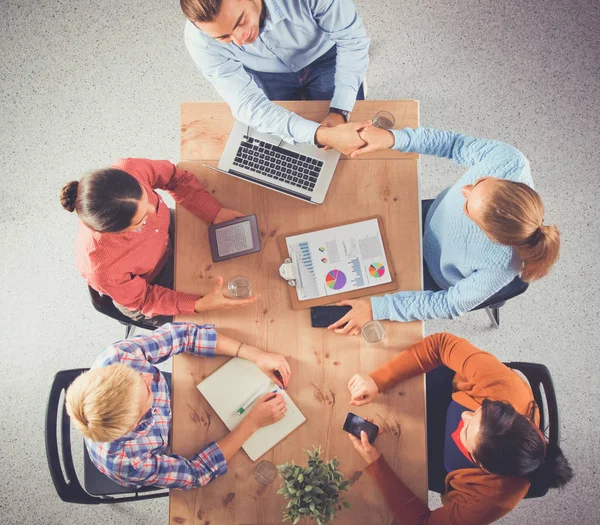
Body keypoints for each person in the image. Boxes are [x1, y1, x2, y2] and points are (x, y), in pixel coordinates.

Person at [328, 126, 561, 334]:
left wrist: (376, 308)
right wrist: (392, 138)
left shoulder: (500, 267)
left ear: (489, 235)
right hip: (428, 217)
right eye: (480, 183)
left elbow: (448, 304)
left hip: (431, 274)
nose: (465, 189)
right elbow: (453, 144)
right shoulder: (509, 161)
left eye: (468, 208)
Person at [346, 332, 572, 525]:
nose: (464, 415)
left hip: (439, 466)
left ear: (481, 464)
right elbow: (441, 344)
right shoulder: (505, 388)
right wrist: (378, 380)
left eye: (465, 431)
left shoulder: (491, 499)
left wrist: (376, 464)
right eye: (477, 411)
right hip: (445, 395)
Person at [66, 322, 291, 489]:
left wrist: (255, 354)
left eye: (134, 375)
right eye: (145, 391)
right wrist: (251, 424)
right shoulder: (129, 464)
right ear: (136, 423)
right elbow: (196, 472)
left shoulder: (118, 357)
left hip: (182, 401)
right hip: (175, 439)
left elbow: (181, 335)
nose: (148, 378)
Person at [60, 158, 256, 326]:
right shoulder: (101, 267)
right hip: (152, 286)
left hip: (167, 236)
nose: (154, 213)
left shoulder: (129, 168)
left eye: (148, 200)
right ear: (114, 231)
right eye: (141, 221)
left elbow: (174, 178)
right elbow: (145, 299)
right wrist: (197, 305)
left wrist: (213, 211)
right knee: (221, 321)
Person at [181, 0, 371, 153]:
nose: (240, 41)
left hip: (326, 56)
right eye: (224, 38)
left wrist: (341, 110)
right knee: (284, 137)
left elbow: (352, 41)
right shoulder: (199, 41)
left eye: (241, 21)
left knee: (353, 122)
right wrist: (318, 134)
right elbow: (248, 104)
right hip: (267, 74)